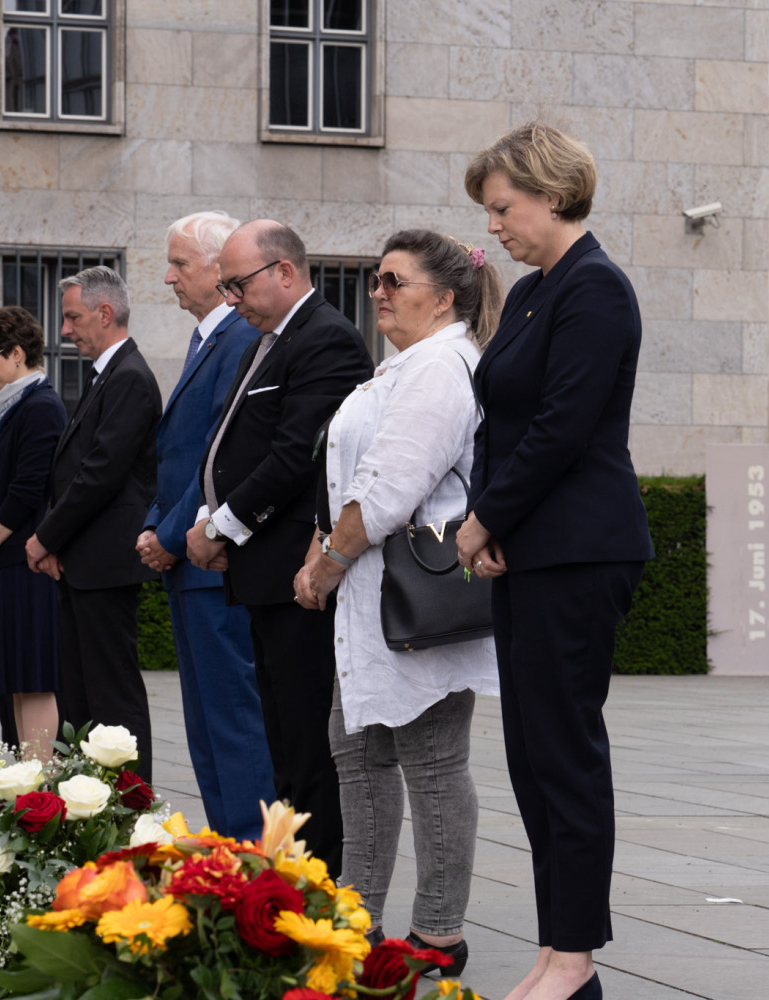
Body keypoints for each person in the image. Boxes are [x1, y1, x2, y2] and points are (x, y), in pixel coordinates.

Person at [454, 123, 653, 1000]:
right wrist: (492, 524)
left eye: (503, 208)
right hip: (534, 549)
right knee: (533, 757)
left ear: (551, 192)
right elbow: (500, 421)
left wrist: (484, 517)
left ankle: (574, 960)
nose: (494, 226)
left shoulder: (595, 289)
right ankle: (553, 951)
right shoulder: (539, 291)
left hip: (580, 549)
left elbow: (563, 426)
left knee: (564, 753)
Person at [292, 230, 502, 972]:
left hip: (417, 605)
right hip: (371, 600)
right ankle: (357, 917)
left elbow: (389, 487)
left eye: (393, 280)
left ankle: (440, 933)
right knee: (359, 755)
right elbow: (352, 478)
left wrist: (326, 562)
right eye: (376, 280)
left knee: (433, 765)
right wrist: (326, 547)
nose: (377, 291)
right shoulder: (402, 367)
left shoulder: (443, 367)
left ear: (444, 297)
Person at [185, 220, 373, 877]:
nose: (231, 299)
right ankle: (294, 875)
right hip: (263, 576)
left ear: (285, 272)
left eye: (238, 284)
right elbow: (237, 446)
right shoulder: (265, 342)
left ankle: (325, 880)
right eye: (225, 287)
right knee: (283, 736)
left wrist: (218, 527)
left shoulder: (327, 340)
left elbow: (296, 457)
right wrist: (212, 513)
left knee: (310, 738)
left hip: (304, 576)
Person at [136, 211, 273, 839]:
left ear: (222, 271)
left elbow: (221, 454)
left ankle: (250, 859)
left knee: (232, 719)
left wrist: (166, 537)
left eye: (180, 264)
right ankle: (224, 851)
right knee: (204, 720)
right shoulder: (209, 338)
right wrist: (155, 524)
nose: (168, 277)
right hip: (189, 561)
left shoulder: (240, 337)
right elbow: (180, 454)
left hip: (213, 565)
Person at [27, 266, 160, 782]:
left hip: (105, 564)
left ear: (105, 314)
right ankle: (87, 802)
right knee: (80, 696)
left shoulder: (129, 377)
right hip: (85, 562)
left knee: (113, 695)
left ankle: (130, 803)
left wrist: (45, 537)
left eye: (72, 317)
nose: (65, 330)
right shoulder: (110, 374)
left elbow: (99, 474)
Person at [0, 307, 66, 762]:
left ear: (17, 353)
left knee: (34, 679)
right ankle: (26, 777)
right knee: (18, 681)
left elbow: (26, 493)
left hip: (26, 565)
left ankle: (38, 781)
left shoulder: (40, 406)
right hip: (11, 561)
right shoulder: (21, 403)